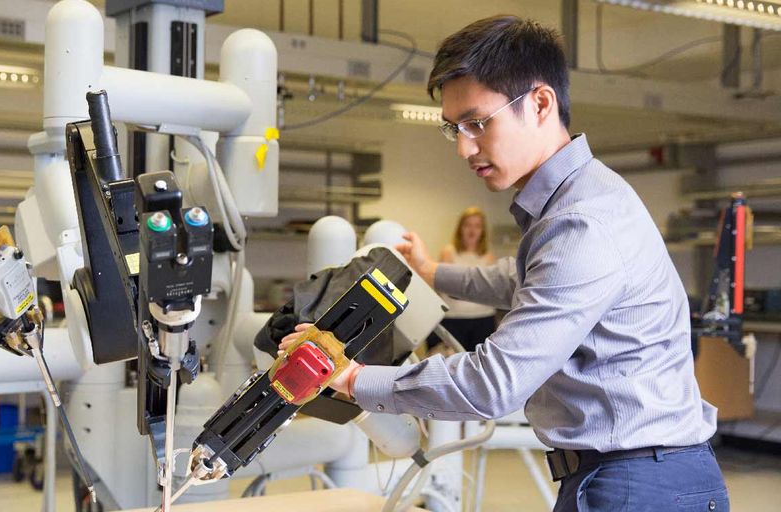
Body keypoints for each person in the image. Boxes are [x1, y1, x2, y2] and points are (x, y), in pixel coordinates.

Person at [281, 15, 728, 512]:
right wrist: (431, 271)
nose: (463, 147)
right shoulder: (572, 203)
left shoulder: (582, 221)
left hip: (640, 486)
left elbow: (496, 383)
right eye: (454, 128)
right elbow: (515, 280)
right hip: (631, 476)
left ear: (540, 103)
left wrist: (347, 379)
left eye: (477, 123)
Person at [435, 207, 496, 352]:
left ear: (483, 231)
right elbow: (441, 287)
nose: (472, 230)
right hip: (453, 319)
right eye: (468, 225)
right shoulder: (448, 252)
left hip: (483, 319)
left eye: (477, 226)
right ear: (460, 228)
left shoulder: (489, 257)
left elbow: (492, 291)